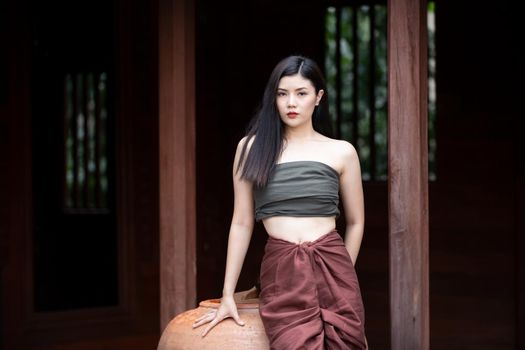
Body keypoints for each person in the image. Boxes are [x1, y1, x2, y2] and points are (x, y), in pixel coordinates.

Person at [192, 55, 367, 349]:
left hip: (334, 266)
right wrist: (227, 294)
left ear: (318, 97)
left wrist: (342, 274)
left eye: (301, 93)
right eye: (282, 94)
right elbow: (242, 221)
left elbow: (356, 221)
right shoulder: (251, 148)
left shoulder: (342, 152)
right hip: (281, 271)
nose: (291, 103)